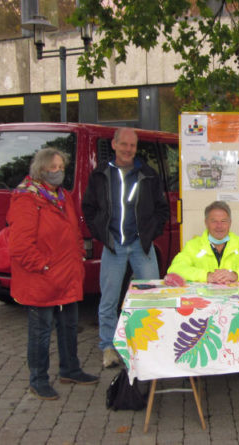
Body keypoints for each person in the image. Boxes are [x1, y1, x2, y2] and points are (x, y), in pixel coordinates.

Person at [7, 147, 98, 400]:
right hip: (41, 279)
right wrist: (44, 266)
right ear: (41, 169)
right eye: (53, 168)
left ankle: (70, 369)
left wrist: (78, 254)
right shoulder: (26, 199)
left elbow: (73, 231)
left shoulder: (62, 196)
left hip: (66, 275)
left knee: (69, 325)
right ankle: (38, 380)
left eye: (61, 167)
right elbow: (20, 246)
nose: (58, 172)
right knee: (41, 331)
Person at [82, 127, 170, 368]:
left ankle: (151, 342)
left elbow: (162, 209)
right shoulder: (100, 174)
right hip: (114, 247)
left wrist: (150, 233)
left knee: (152, 297)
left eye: (132, 145)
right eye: (124, 145)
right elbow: (88, 208)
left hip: (141, 247)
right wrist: (101, 234)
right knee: (108, 299)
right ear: (114, 145)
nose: (128, 149)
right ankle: (108, 347)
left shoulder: (148, 174)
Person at [166, 201, 239, 284]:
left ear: (230, 223)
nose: (219, 226)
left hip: (235, 299)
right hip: (203, 301)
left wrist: (236, 275)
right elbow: (175, 269)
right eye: (214, 221)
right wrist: (206, 276)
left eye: (223, 221)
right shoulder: (193, 245)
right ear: (206, 223)